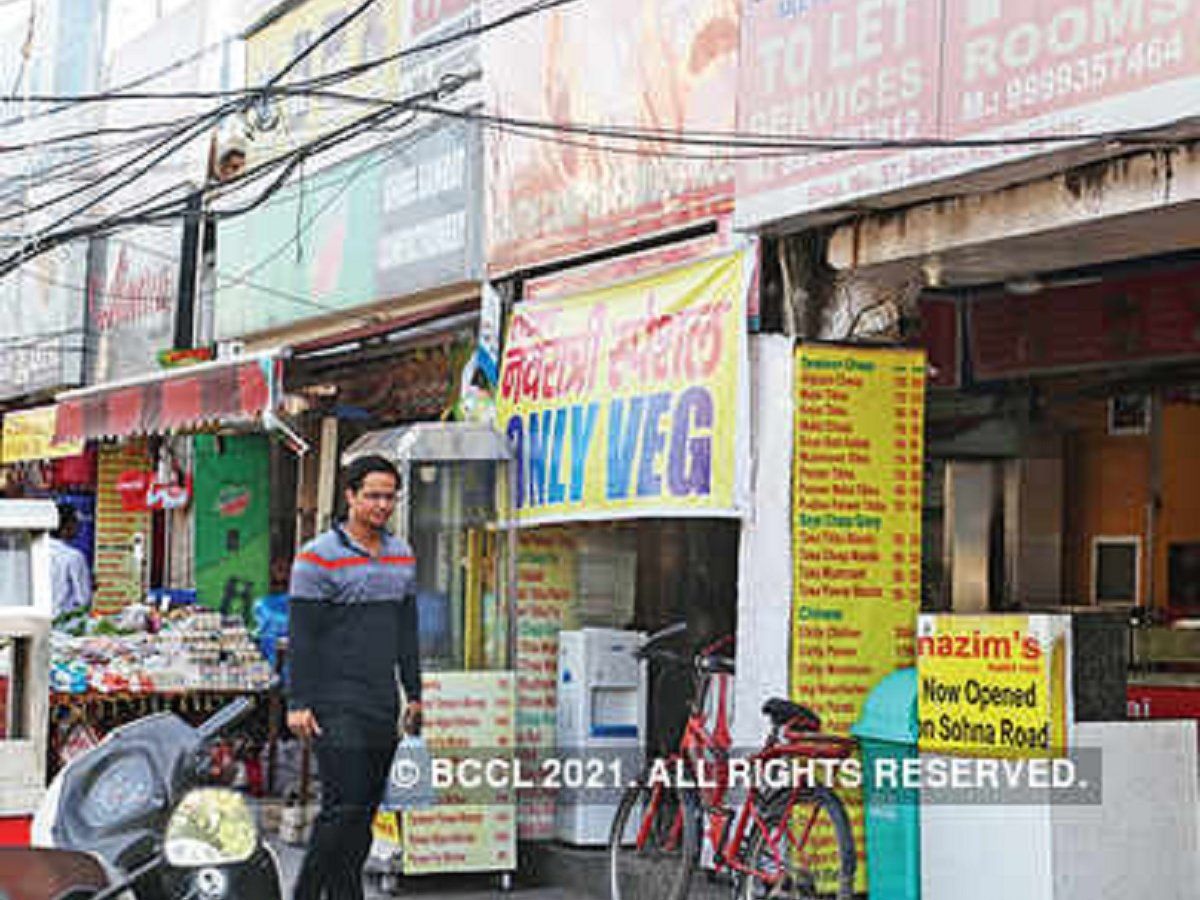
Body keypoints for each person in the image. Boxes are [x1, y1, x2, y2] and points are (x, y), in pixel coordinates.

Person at [287, 455, 422, 900]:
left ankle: (347, 894)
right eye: (373, 496)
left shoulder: (402, 555)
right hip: (333, 700)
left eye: (389, 496)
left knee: (364, 810)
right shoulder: (316, 558)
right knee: (341, 807)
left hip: (381, 700)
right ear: (350, 496)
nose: (382, 505)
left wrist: (415, 692)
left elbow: (407, 630)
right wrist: (298, 701)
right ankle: (305, 894)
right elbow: (303, 636)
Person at [50, 501, 91, 617]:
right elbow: (83, 599)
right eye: (76, 523)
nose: (79, 528)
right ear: (67, 526)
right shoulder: (73, 557)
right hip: (64, 625)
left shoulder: (34, 552)